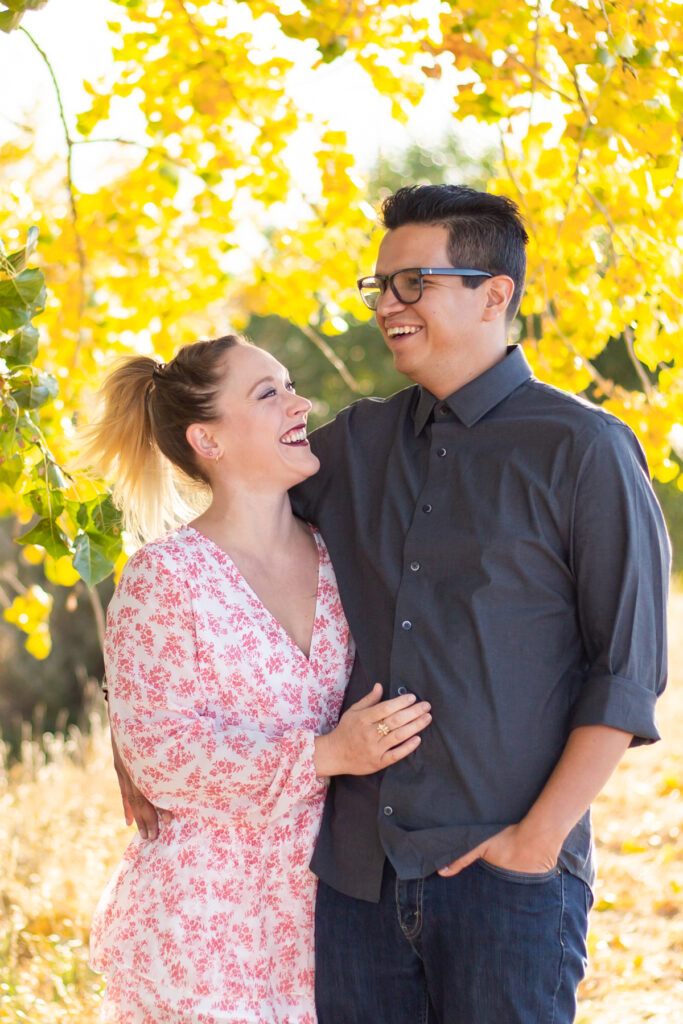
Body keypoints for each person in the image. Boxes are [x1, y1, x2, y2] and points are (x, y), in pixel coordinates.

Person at [115, 185, 670, 1024]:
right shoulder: (355, 445)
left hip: (504, 878)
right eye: (379, 286)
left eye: (414, 282)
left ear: (495, 293)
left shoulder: (583, 450)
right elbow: (226, 543)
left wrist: (536, 845)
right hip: (351, 892)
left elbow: (626, 673)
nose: (387, 305)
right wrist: (136, 740)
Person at [85, 335, 432, 1024]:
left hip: (326, 922)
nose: (300, 402)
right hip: (207, 931)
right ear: (206, 440)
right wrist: (325, 753)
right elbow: (160, 753)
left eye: (290, 384)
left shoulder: (342, 561)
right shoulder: (166, 577)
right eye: (267, 392)